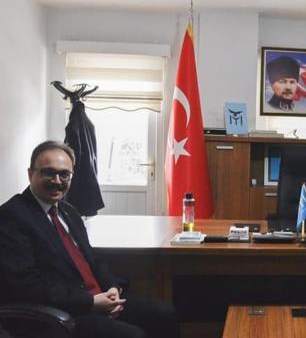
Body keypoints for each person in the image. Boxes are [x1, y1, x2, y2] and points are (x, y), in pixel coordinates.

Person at [0, 141, 179, 338]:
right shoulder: (11, 216)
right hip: (61, 312)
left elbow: (91, 259)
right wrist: (91, 302)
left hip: (96, 297)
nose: (57, 181)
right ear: (30, 174)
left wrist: (113, 288)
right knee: (133, 335)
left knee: (164, 314)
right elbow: (27, 285)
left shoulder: (68, 211)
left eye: (64, 174)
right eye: (48, 173)